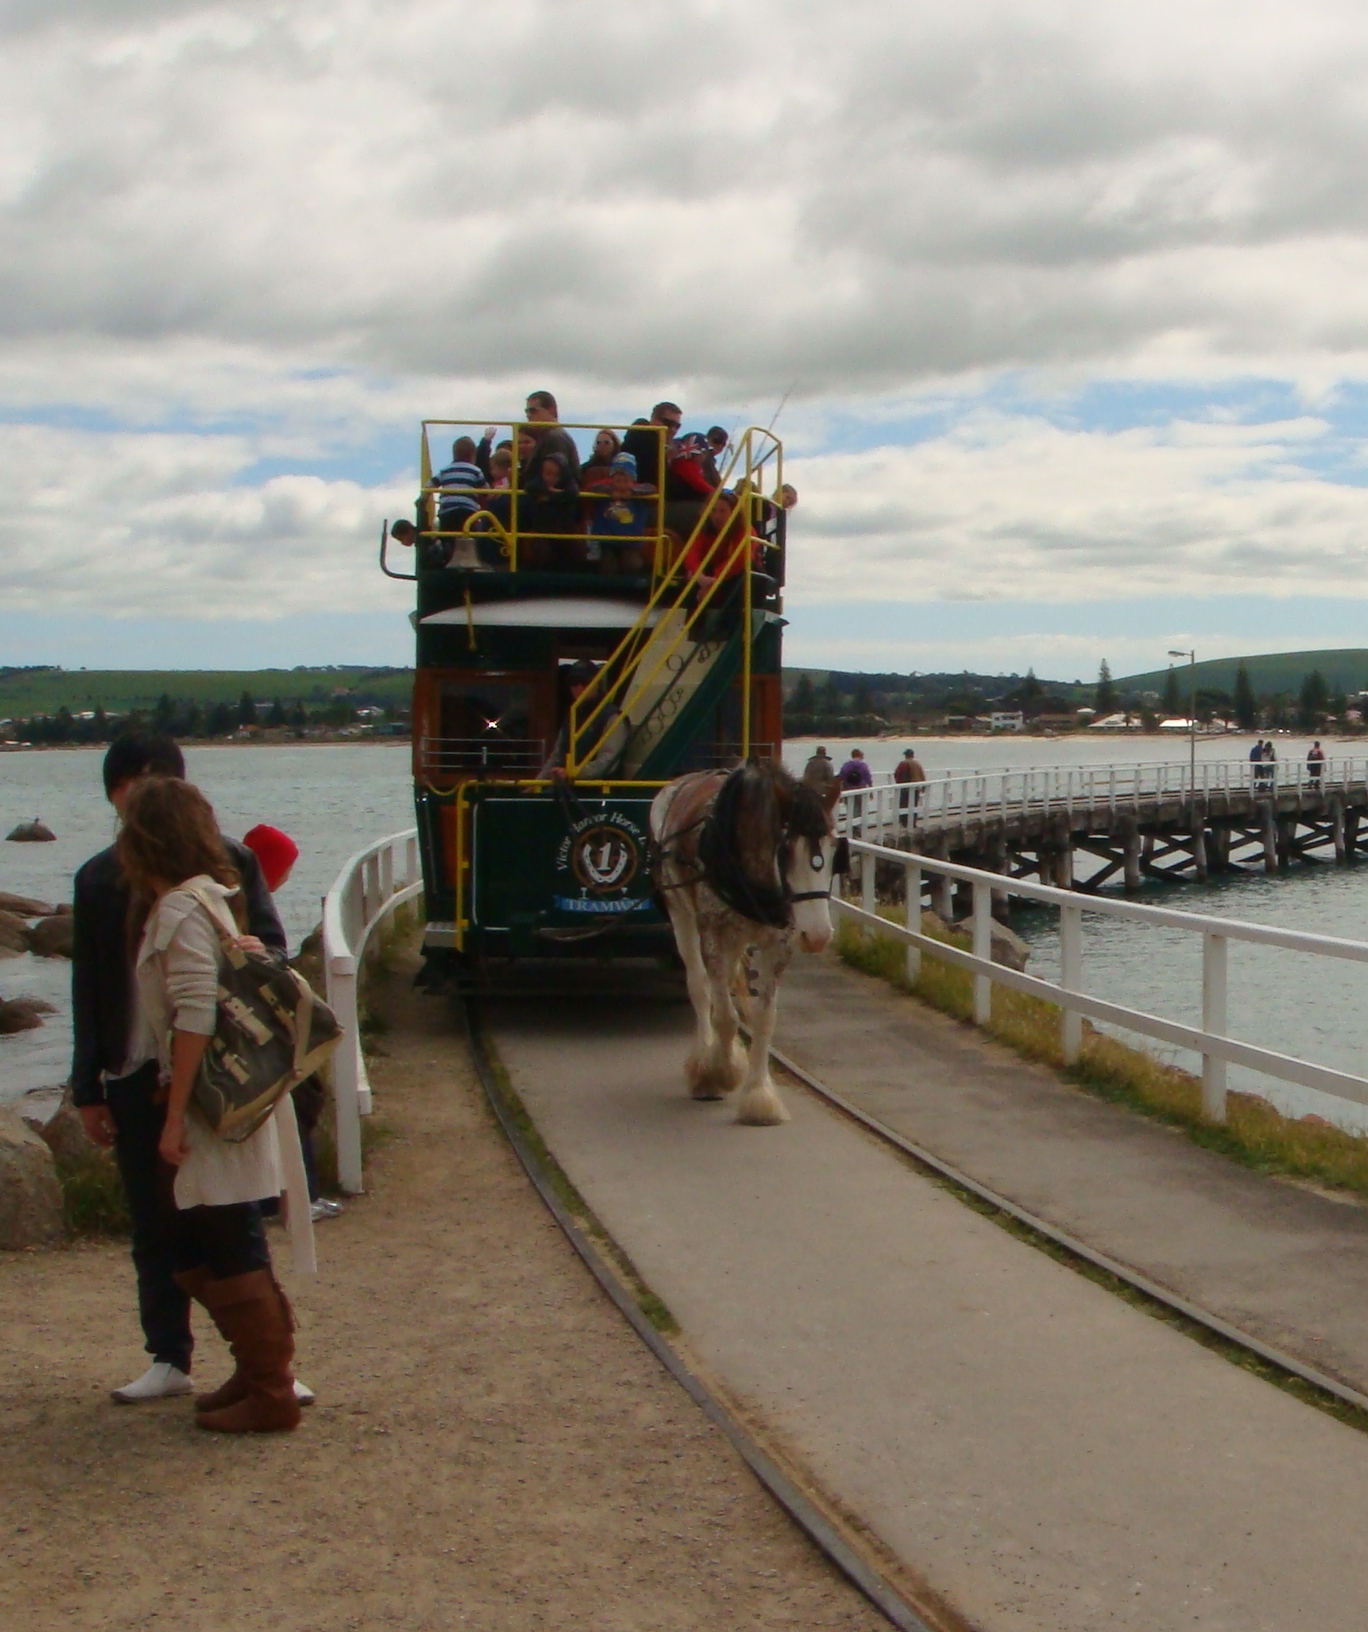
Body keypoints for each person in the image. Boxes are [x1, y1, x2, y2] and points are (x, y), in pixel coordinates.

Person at [72, 731, 290, 1405]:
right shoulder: (100, 878)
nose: (144, 794)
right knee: (156, 1222)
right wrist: (88, 1085)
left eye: (159, 780)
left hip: (208, 1076)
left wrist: (257, 952)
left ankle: (268, 1370)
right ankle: (172, 1355)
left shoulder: (225, 872)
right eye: (133, 782)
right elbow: (91, 986)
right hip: (136, 1066)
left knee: (230, 1220)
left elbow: (250, 971)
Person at [118, 776, 312, 1434]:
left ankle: (270, 1389)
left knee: (225, 1236)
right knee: (212, 1234)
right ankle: (257, 1373)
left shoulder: (180, 909)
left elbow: (196, 1010)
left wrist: (174, 1112)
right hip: (221, 1094)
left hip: (206, 1098)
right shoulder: (213, 898)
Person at [240, 825, 341, 1226]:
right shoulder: (247, 913)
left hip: (262, 1027)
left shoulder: (241, 908)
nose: (288, 877)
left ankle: (279, 1197)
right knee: (294, 1100)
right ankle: (299, 1196)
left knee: (292, 1101)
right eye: (285, 868)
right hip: (262, 1029)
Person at [539, 659, 629, 780]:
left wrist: (573, 773)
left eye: (585, 682)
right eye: (574, 683)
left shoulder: (612, 717)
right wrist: (536, 783)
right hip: (570, 789)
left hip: (600, 792)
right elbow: (557, 755)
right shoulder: (572, 716)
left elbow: (608, 762)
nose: (579, 687)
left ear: (597, 683)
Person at [592, 452, 656, 576]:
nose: (621, 483)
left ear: (633, 480)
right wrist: (610, 492)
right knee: (608, 569)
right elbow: (592, 487)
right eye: (618, 480)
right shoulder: (605, 489)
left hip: (630, 542)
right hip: (608, 541)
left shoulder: (640, 491)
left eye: (626, 480)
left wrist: (632, 492)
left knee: (632, 565)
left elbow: (652, 488)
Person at [520, 452, 585, 570]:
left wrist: (549, 497)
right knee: (539, 549)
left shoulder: (569, 484)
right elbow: (530, 487)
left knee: (576, 548)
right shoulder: (536, 484)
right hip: (542, 531)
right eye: (548, 473)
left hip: (564, 532)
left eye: (556, 475)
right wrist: (555, 494)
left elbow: (572, 492)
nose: (551, 478)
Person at [622, 401, 682, 489]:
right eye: (668, 423)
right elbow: (657, 480)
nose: (673, 429)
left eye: (677, 426)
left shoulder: (657, 444)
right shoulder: (642, 438)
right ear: (654, 419)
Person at [523, 389, 580, 480]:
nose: (528, 415)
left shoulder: (554, 438)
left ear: (551, 411)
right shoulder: (551, 436)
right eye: (527, 411)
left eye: (532, 410)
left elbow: (553, 480)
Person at [894, 747, 926, 827]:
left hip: (906, 788)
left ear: (906, 755)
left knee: (904, 805)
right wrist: (923, 786)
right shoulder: (917, 764)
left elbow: (897, 774)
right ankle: (913, 822)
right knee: (914, 805)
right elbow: (922, 775)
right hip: (916, 788)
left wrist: (898, 784)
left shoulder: (903, 763)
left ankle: (904, 822)